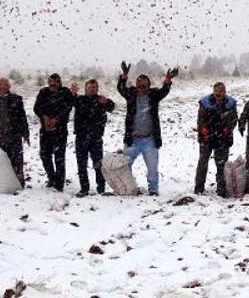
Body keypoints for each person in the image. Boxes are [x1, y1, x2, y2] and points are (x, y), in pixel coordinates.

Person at [117, 61, 178, 196]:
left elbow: (164, 90)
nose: (141, 86)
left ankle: (153, 189)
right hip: (132, 139)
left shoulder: (153, 95)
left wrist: (168, 80)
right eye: (139, 83)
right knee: (125, 167)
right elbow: (121, 88)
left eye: (144, 83)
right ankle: (129, 187)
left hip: (150, 139)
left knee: (152, 168)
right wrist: (124, 75)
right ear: (136, 85)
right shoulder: (131, 94)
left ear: (148, 85)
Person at [71, 79, 116, 197]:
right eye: (90, 87)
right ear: (85, 88)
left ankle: (101, 188)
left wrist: (106, 102)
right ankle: (84, 188)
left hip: (96, 138)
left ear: (97, 89)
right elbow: (69, 102)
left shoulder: (100, 100)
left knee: (98, 164)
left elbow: (112, 107)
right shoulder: (79, 100)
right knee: (81, 164)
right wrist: (73, 93)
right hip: (81, 137)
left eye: (94, 87)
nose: (92, 89)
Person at [195, 82, 238, 196]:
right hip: (207, 137)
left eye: (221, 91)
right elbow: (200, 120)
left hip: (223, 138)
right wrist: (203, 130)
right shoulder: (205, 103)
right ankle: (199, 188)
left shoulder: (230, 103)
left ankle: (221, 189)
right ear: (213, 91)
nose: (218, 93)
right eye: (217, 91)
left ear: (225, 92)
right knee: (202, 163)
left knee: (222, 164)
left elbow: (234, 119)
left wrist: (227, 129)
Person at [33, 73, 73, 191]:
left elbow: (68, 107)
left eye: (55, 82)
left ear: (60, 82)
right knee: (44, 155)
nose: (52, 85)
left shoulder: (65, 92)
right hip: (45, 129)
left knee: (59, 157)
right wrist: (44, 117)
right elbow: (37, 108)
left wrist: (56, 119)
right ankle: (52, 177)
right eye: (50, 82)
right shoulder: (43, 92)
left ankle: (59, 184)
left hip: (60, 129)